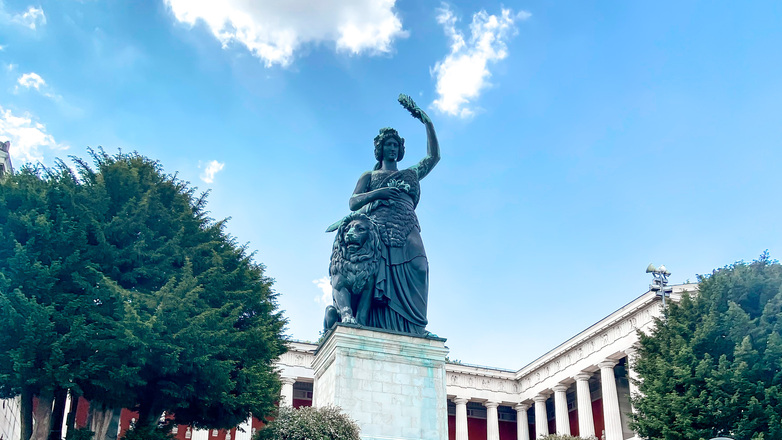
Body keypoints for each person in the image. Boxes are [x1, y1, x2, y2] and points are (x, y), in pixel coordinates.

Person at [346, 95, 440, 335]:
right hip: (379, 227)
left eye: (396, 145)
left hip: (407, 224)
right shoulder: (369, 176)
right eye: (388, 144)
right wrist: (379, 193)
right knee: (380, 276)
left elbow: (433, 157)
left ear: (400, 150)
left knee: (420, 267)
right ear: (380, 148)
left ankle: (417, 325)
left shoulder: (411, 173)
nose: (392, 148)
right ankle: (381, 324)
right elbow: (353, 202)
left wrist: (427, 122)